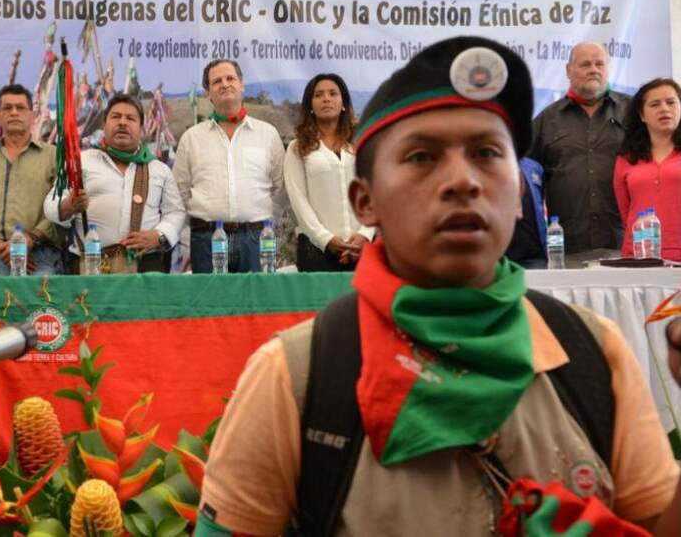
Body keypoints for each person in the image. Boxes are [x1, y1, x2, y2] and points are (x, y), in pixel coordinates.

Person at [195, 37, 679, 536]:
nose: (462, 181)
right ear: (365, 203)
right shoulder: (296, 376)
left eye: (488, 153)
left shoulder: (592, 354)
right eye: (423, 157)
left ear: (518, 193)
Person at [43, 94, 185, 274]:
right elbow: (50, 206)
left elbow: (176, 212)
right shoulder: (80, 162)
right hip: (91, 267)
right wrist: (69, 206)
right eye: (116, 117)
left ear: (141, 128)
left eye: (130, 118)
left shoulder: (160, 169)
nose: (123, 123)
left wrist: (159, 235)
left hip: (146, 267)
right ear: (104, 124)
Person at [173, 59, 285, 273]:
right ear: (208, 93)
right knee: (212, 306)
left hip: (256, 240)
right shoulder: (191, 138)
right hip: (206, 241)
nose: (225, 84)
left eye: (230, 78)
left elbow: (280, 187)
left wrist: (264, 220)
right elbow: (181, 191)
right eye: (217, 81)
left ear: (241, 85)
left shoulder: (267, 134)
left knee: (255, 305)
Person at [529, 41, 630, 266]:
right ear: (568, 70)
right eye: (585, 64)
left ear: (607, 68)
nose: (593, 69)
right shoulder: (546, 121)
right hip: (566, 249)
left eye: (599, 64)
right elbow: (528, 184)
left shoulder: (634, 112)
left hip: (626, 246)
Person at [0, 84, 63, 276]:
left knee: (40, 305)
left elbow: (61, 208)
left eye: (20, 108)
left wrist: (30, 240)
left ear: (32, 116)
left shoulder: (53, 156)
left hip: (40, 256)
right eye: (7, 108)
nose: (14, 113)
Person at [284, 73, 372, 271]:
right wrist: (327, 239)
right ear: (310, 106)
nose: (326, 99)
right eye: (319, 95)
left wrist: (365, 235)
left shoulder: (362, 143)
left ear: (343, 103)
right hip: (317, 251)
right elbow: (299, 202)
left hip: (364, 249)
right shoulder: (298, 148)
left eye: (333, 93)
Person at [614, 77, 681, 261]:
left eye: (671, 102)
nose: (664, 109)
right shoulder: (626, 158)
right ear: (642, 115)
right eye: (655, 104)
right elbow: (625, 210)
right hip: (638, 256)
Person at [504, 157, 547, 268]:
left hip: (534, 255)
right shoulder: (488, 163)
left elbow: (541, 203)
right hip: (501, 255)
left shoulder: (534, 167)